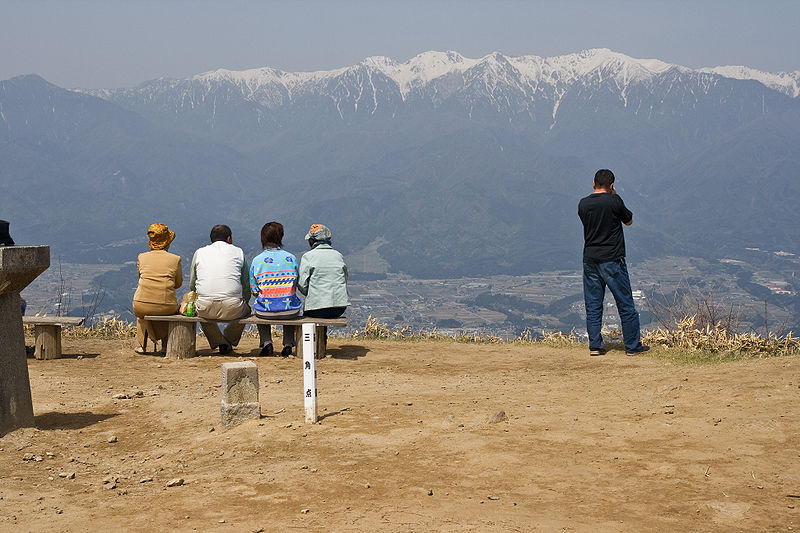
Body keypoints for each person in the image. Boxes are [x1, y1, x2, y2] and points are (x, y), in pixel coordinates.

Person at [578, 169, 648, 356]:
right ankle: (633, 346)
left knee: (593, 305)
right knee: (625, 304)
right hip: (612, 260)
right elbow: (629, 221)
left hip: (590, 259)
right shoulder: (614, 201)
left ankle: (595, 346)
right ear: (611, 185)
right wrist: (615, 196)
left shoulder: (583, 204)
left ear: (593, 183)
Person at [189, 224, 251, 354]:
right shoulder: (238, 252)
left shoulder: (199, 253)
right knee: (247, 311)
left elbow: (192, 283)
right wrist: (245, 300)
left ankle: (219, 341)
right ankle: (228, 339)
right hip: (233, 307)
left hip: (205, 306)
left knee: (200, 311)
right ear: (229, 238)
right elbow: (245, 283)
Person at [250, 221, 302, 356]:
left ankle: (267, 343)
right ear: (281, 237)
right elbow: (295, 284)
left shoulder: (257, 260)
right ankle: (288, 344)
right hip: (290, 311)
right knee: (288, 302)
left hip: (264, 312)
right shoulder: (291, 258)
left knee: (259, 305)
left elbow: (254, 291)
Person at [132, 223, 183, 353]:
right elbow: (178, 284)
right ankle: (165, 346)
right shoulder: (175, 259)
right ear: (167, 242)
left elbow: (140, 276)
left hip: (140, 303)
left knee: (142, 314)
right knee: (165, 310)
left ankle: (141, 345)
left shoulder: (141, 257)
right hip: (166, 305)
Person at [297, 224, 350, 347]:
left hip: (316, 309)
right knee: (323, 308)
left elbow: (302, 284)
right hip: (339, 308)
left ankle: (312, 348)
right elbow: (344, 280)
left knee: (315, 310)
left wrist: (310, 293)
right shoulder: (338, 256)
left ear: (312, 241)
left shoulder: (308, 257)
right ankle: (322, 344)